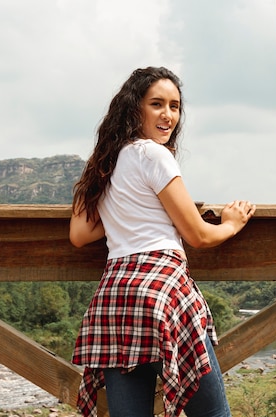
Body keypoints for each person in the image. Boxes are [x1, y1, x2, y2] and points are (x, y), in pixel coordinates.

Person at [70, 66, 255, 417]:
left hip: (115, 300)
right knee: (213, 414)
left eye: (175, 106)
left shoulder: (108, 164)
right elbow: (199, 235)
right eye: (157, 104)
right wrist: (231, 223)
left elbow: (79, 234)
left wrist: (105, 188)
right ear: (134, 108)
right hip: (161, 292)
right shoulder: (153, 155)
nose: (168, 115)